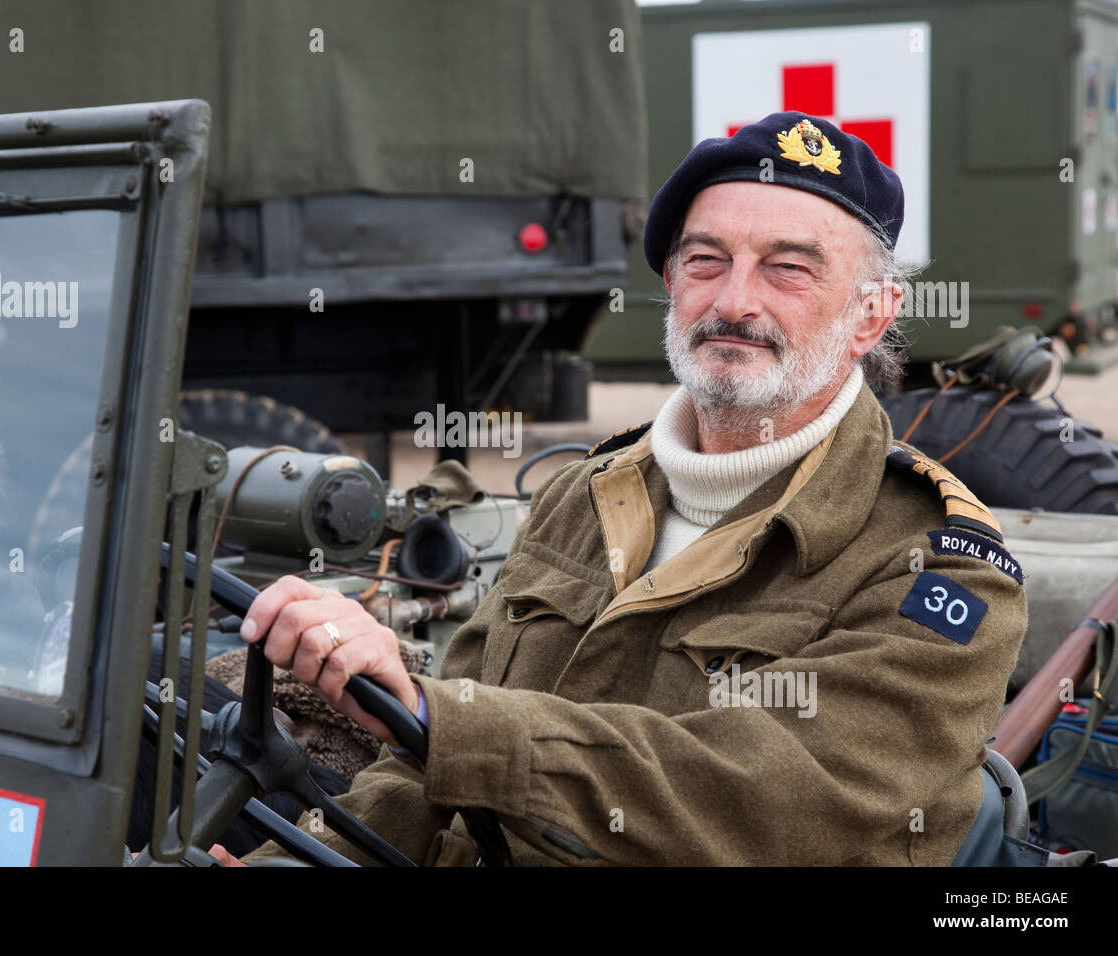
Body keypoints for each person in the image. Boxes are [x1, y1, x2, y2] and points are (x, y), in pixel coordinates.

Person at [231, 111, 1028, 866]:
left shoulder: (942, 567)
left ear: (871, 315)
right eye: (704, 261)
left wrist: (451, 724)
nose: (733, 301)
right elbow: (424, 772)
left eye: (788, 269)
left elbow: (761, 799)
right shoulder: (580, 497)